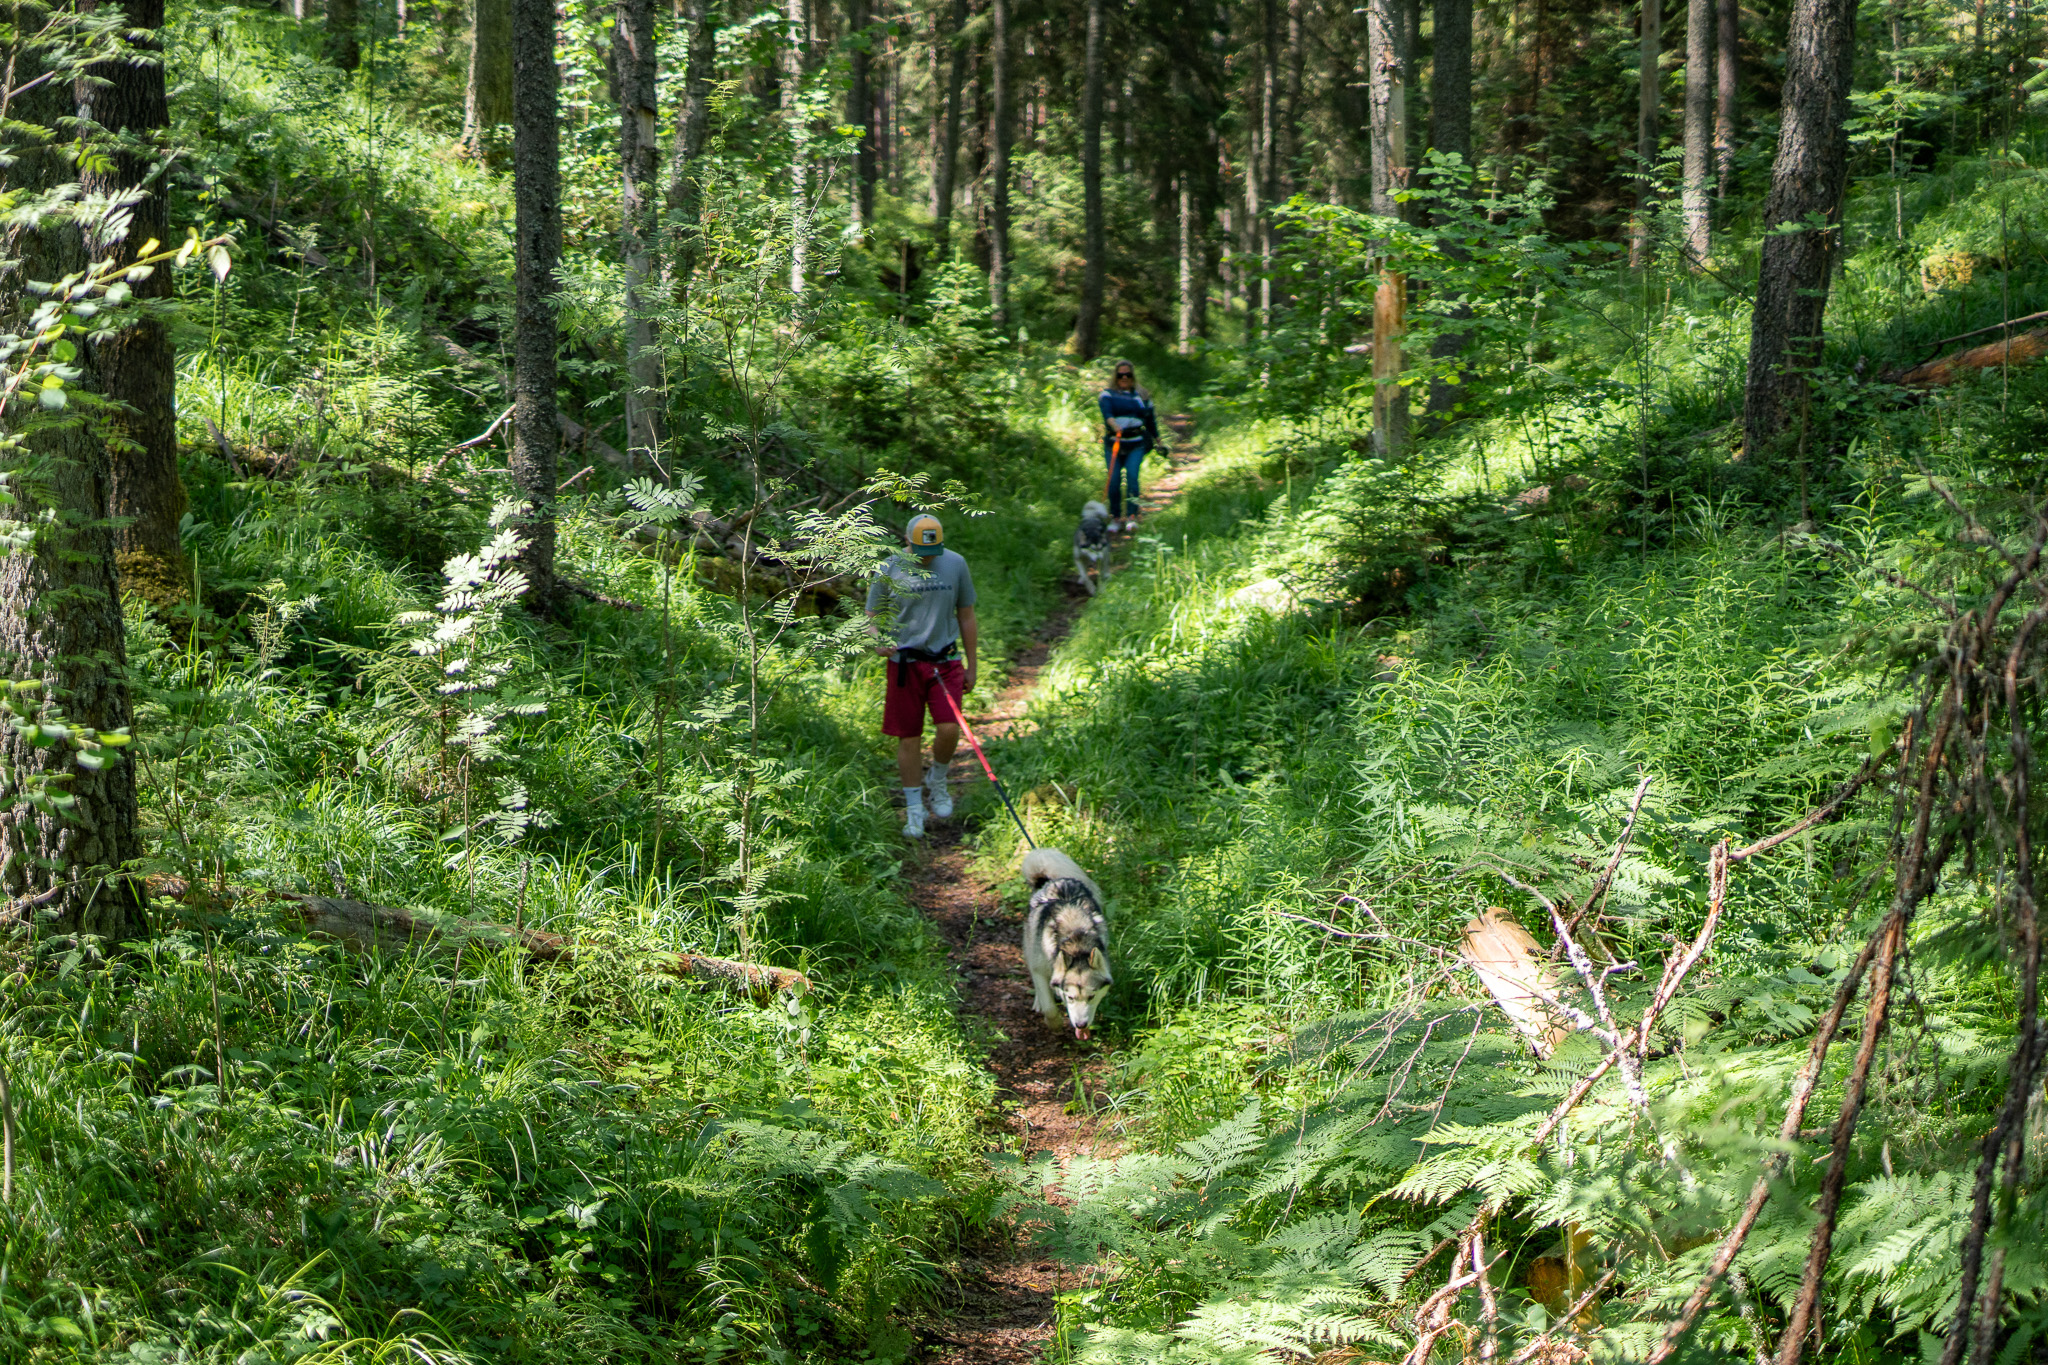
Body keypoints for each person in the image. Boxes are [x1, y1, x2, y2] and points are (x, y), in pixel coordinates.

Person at [866, 513, 979, 839]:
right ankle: (914, 808)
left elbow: (967, 615)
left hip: (945, 661)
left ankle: (938, 779)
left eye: (933, 550)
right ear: (907, 542)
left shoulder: (955, 564)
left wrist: (972, 665)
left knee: (948, 728)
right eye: (921, 550)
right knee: (909, 736)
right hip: (905, 664)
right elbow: (871, 616)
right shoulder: (888, 567)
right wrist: (878, 640)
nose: (928, 557)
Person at [1098, 360, 1163, 530]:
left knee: (1133, 478)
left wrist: (1158, 440)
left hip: (1136, 443)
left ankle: (1132, 516)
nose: (1124, 377)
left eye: (1128, 374)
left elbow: (1150, 420)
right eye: (1121, 374)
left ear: (1133, 376)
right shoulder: (1107, 395)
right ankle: (1115, 517)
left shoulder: (1142, 396)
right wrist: (1114, 425)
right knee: (1114, 481)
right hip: (1114, 443)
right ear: (1115, 376)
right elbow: (1107, 414)